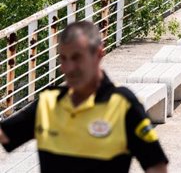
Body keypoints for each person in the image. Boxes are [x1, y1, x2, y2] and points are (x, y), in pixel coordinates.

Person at [0, 21, 169, 173]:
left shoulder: (123, 104)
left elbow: (156, 165)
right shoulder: (48, 103)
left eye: (77, 58)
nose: (68, 67)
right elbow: (5, 135)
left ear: (99, 54)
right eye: (63, 58)